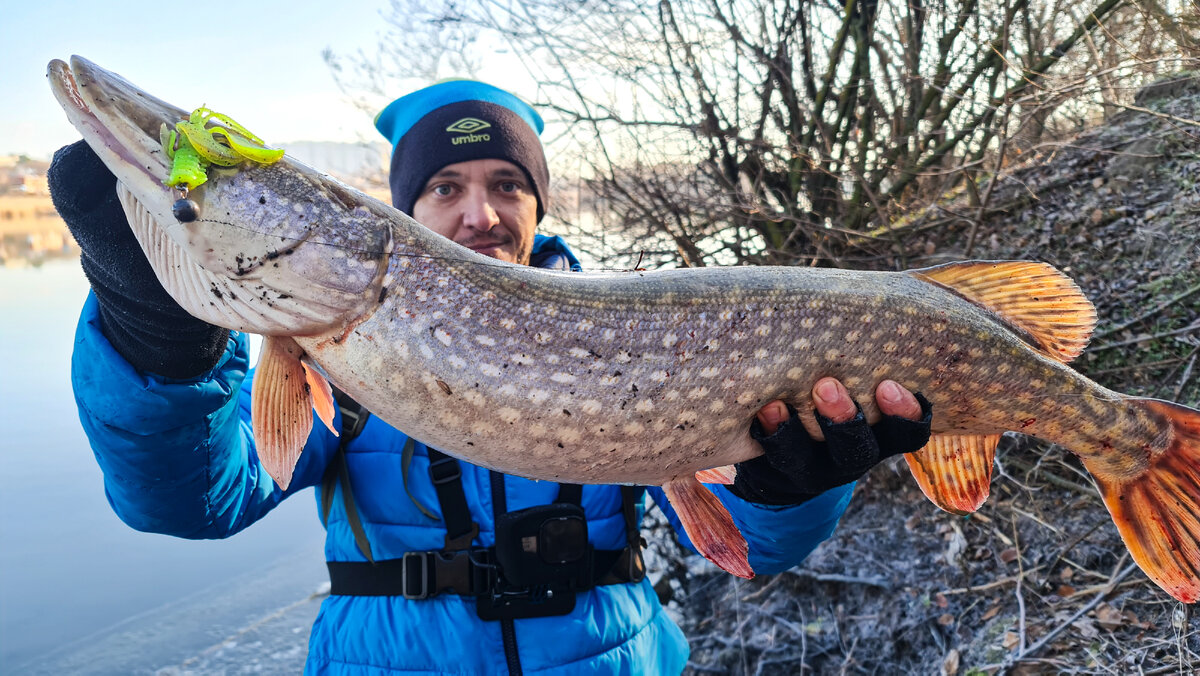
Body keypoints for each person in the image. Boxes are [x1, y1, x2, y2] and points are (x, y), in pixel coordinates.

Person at [49, 79, 933, 675]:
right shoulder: (324, 348)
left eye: (507, 183)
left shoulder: (655, 339)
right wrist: (156, 338)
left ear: (539, 201)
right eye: (444, 188)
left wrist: (794, 489)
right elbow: (192, 503)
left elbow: (756, 548)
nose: (480, 212)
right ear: (403, 212)